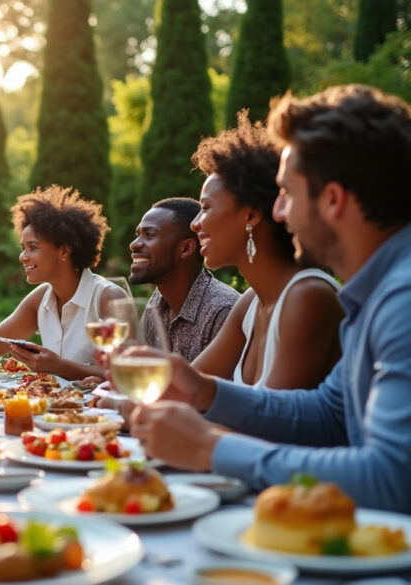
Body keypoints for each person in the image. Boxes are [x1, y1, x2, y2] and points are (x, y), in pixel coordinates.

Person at [130, 85, 411, 512]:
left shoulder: (402, 298)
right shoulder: (374, 293)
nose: (279, 212)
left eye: (288, 194)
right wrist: (205, 391)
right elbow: (329, 413)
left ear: (333, 199)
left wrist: (210, 447)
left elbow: (392, 479)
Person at [185, 113, 343, 390]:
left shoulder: (309, 297)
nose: (194, 223)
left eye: (206, 207)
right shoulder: (250, 303)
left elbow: (272, 421)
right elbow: (186, 385)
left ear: (250, 215)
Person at [0, 186, 126, 379]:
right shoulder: (41, 298)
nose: (22, 256)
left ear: (64, 250)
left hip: (101, 415)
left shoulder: (107, 297)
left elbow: (124, 373)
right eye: (23, 247)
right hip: (54, 412)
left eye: (32, 247)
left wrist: (58, 366)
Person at [129, 197, 240, 362]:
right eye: (138, 235)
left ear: (186, 248)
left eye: (149, 235)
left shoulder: (222, 312)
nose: (134, 244)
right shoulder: (157, 301)